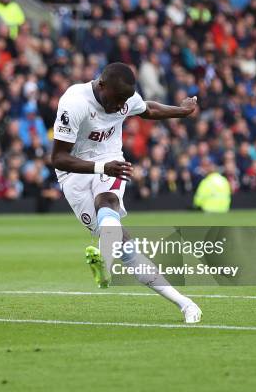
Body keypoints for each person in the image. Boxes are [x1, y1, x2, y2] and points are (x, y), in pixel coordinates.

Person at [51, 62, 202, 323]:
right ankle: (181, 301)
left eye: (125, 100)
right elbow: (58, 158)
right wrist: (101, 167)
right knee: (122, 244)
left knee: (107, 201)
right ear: (101, 86)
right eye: (117, 99)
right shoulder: (74, 103)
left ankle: (106, 264)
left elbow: (148, 109)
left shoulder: (125, 98)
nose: (121, 106)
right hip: (74, 172)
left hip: (111, 159)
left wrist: (182, 111)